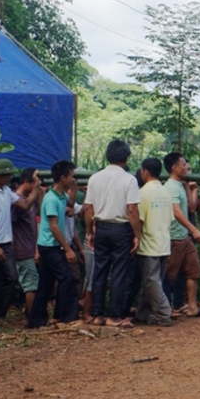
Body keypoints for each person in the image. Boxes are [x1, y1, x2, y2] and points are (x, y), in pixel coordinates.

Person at [84, 140, 141, 328]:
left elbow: (88, 208)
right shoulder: (129, 179)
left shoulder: (95, 178)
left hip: (101, 227)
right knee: (119, 272)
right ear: (126, 158)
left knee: (100, 270)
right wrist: (136, 234)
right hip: (121, 228)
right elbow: (132, 209)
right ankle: (114, 315)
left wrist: (89, 231)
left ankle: (97, 314)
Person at [0, 158, 41, 325]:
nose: (9, 177)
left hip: (6, 242)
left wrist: (36, 189)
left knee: (8, 279)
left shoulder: (7, 191)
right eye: (6, 174)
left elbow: (26, 205)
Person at [28, 161, 81, 328]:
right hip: (50, 246)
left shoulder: (60, 196)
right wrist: (67, 249)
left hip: (50, 245)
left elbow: (70, 203)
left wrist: (74, 186)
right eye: (71, 176)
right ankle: (66, 315)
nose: (72, 179)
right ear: (63, 178)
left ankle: (37, 319)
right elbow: (53, 226)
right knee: (66, 278)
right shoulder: (51, 198)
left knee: (46, 282)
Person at [164, 152, 200, 318]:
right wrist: (194, 229)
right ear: (174, 168)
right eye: (184, 165)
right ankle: (163, 308)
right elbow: (176, 211)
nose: (186, 168)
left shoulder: (180, 184)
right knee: (168, 275)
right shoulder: (170, 187)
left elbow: (191, 208)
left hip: (184, 236)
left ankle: (192, 306)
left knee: (193, 271)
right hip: (175, 237)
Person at [134, 158, 174, 326]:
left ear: (145, 172)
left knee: (151, 282)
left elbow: (140, 221)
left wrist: (136, 238)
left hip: (149, 244)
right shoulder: (166, 191)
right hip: (164, 242)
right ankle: (142, 314)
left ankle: (165, 313)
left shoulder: (142, 193)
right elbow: (170, 218)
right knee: (151, 281)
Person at [11, 168, 43, 317]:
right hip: (21, 249)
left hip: (30, 248)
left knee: (32, 282)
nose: (39, 184)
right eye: (35, 181)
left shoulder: (30, 199)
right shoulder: (17, 201)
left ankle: (31, 313)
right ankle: (33, 316)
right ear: (26, 182)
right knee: (31, 284)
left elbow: (39, 214)